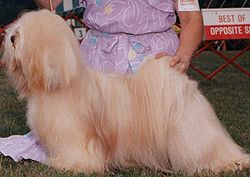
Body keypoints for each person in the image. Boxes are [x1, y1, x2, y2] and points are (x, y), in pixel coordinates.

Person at [0, 0, 203, 163]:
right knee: (80, 115)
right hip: (99, 58)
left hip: (155, 58)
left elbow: (191, 19)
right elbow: (50, 3)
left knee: (171, 116)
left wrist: (183, 56)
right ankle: (84, 151)